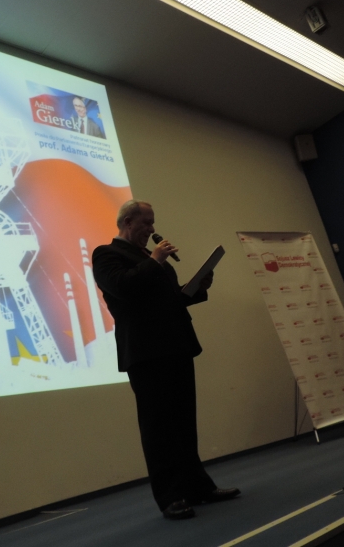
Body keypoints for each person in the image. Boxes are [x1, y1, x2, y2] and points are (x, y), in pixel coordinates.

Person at [91, 200, 239, 520]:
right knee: (158, 428)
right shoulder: (106, 254)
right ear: (128, 222)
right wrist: (156, 260)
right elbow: (123, 288)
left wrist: (197, 287)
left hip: (176, 345)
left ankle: (198, 487)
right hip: (145, 353)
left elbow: (169, 301)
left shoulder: (148, 257)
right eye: (146, 223)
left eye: (153, 222)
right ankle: (170, 497)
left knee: (184, 423)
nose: (152, 229)